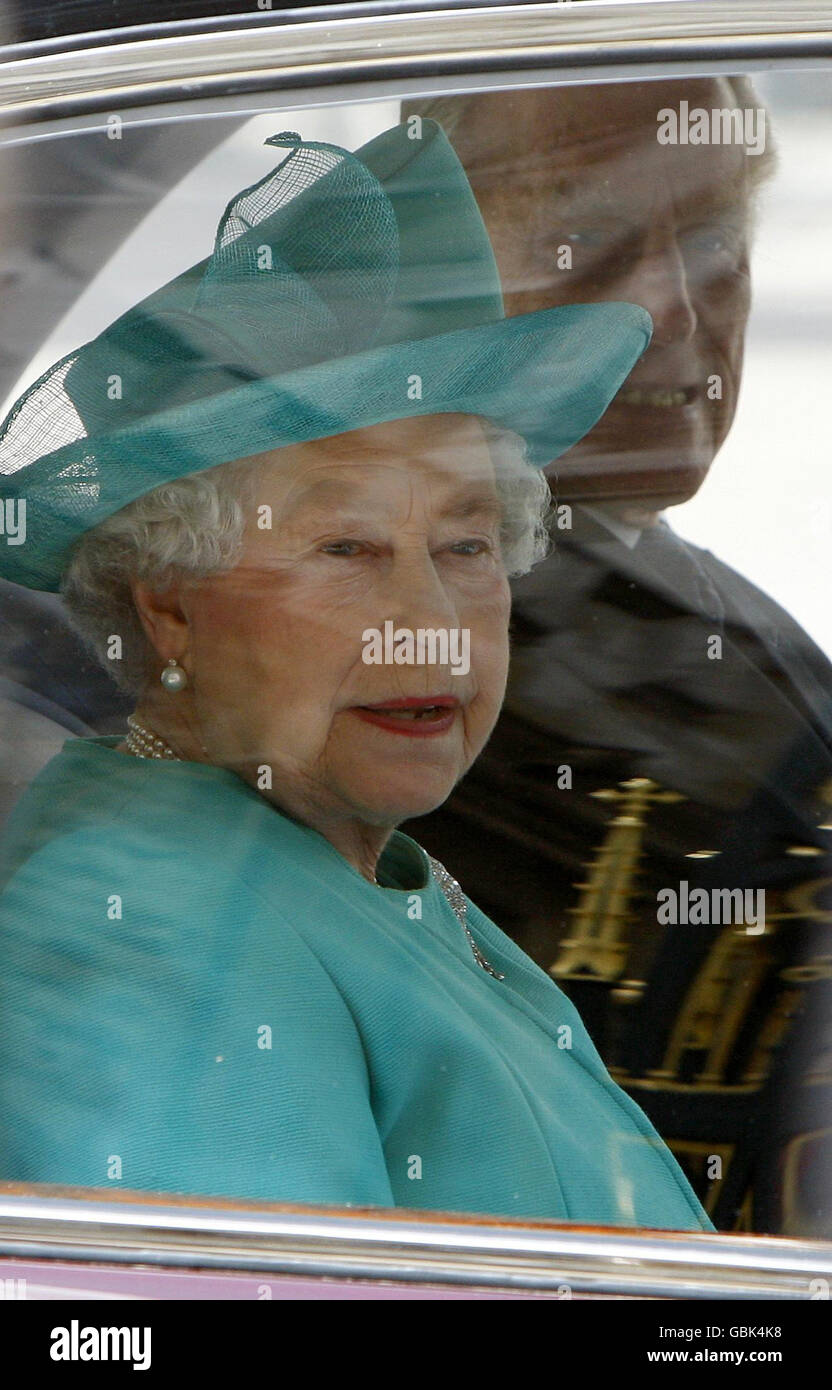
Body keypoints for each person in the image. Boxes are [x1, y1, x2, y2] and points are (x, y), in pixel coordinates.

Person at [0, 120, 710, 1228]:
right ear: (170, 605)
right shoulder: (146, 928)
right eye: (346, 551)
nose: (428, 624)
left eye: (466, 547)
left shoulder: (314, 858)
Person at [401, 81, 832, 1233]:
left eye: (711, 243)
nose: (674, 309)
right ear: (423, 277)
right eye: (580, 240)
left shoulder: (721, 623)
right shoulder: (375, 660)